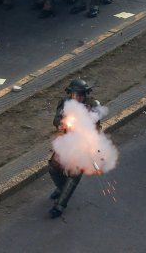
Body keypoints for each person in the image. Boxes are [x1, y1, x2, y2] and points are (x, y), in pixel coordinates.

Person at [49, 78, 101, 218]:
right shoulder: (64, 103)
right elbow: (55, 121)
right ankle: (61, 188)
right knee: (53, 168)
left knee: (74, 175)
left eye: (81, 95)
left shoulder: (92, 105)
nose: (78, 97)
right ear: (71, 94)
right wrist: (62, 118)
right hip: (66, 140)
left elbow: (96, 127)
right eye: (75, 95)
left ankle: (60, 205)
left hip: (83, 145)